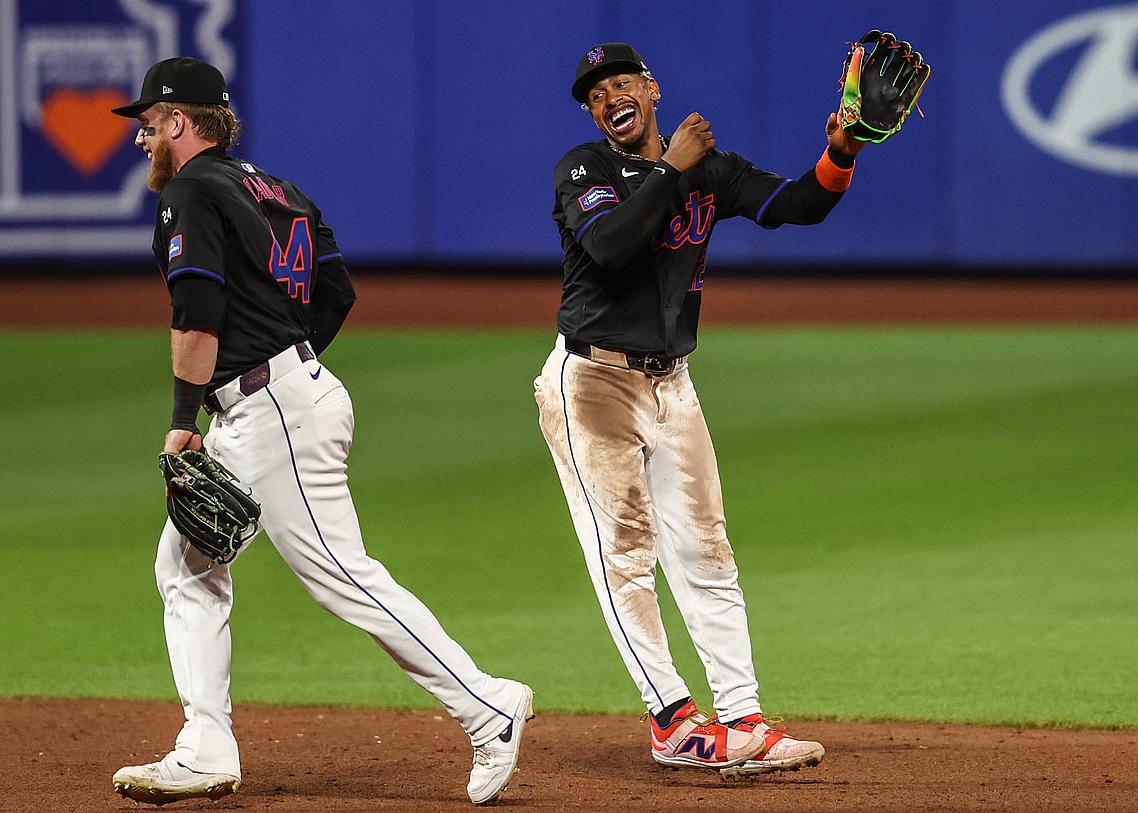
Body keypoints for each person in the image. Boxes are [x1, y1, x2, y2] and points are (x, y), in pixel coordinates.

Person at [108, 56, 533, 807]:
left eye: (148, 125)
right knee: (185, 564)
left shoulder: (191, 191)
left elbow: (196, 315)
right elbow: (336, 293)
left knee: (343, 575)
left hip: (274, 410)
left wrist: (184, 419)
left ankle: (488, 704)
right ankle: (205, 744)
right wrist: (291, 364)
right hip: (285, 395)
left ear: (179, 122)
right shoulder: (281, 190)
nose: (142, 139)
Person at [535, 42, 865, 777]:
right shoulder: (584, 169)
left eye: (621, 82)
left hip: (671, 384)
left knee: (709, 554)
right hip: (591, 383)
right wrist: (669, 168)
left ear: (651, 89)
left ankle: (743, 718)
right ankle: (673, 722)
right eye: (594, 93)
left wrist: (841, 147)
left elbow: (797, 205)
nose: (608, 97)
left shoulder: (708, 171)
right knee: (624, 560)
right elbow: (614, 245)